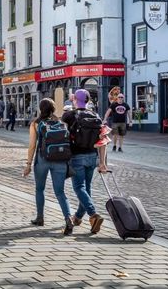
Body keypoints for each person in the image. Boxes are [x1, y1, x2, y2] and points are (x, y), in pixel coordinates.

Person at [23, 99, 74, 235]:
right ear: (53, 109)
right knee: (60, 192)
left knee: (40, 189)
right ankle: (68, 218)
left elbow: (32, 146)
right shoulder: (62, 123)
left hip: (42, 159)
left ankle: (40, 218)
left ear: (40, 109)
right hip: (60, 160)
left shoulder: (35, 124)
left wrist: (28, 164)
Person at [62, 89, 106, 234]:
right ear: (88, 100)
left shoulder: (69, 115)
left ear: (74, 99)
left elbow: (62, 130)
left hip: (77, 156)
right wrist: (102, 162)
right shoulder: (96, 116)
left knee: (79, 188)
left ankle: (93, 215)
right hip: (92, 157)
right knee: (86, 188)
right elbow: (103, 141)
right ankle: (78, 217)